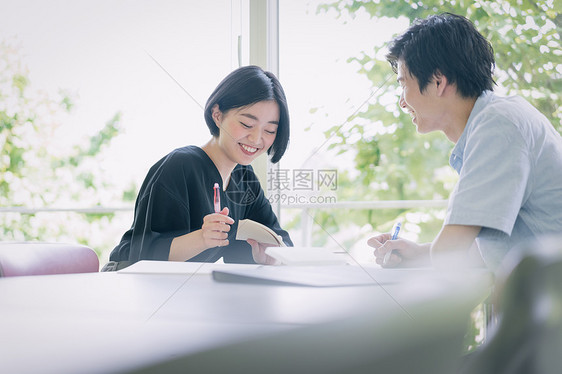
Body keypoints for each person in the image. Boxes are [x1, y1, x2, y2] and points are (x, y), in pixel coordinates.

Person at [369, 13, 562, 271]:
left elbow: (450, 251)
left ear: (439, 81)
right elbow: (484, 253)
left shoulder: (498, 127)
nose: (402, 101)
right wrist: (418, 253)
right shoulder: (494, 121)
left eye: (403, 84)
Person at [104, 65, 292, 271]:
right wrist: (202, 238)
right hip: (127, 278)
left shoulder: (245, 179)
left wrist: (266, 256)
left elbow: (279, 240)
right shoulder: (180, 166)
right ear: (217, 115)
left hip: (179, 286)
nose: (257, 139)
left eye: (270, 130)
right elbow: (144, 254)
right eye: (247, 124)